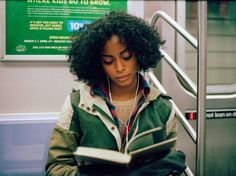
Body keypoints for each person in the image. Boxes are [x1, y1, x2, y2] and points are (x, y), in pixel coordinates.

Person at [45, 11, 186, 176]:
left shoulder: (163, 107)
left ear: (139, 54)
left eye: (126, 57)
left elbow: (170, 165)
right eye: (108, 61)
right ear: (98, 63)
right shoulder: (77, 103)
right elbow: (56, 168)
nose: (119, 68)